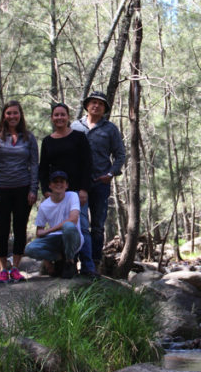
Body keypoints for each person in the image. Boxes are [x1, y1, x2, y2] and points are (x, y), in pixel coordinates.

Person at [38, 102, 96, 276]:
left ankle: (88, 267)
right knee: (60, 229)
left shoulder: (79, 137)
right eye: (56, 115)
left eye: (63, 114)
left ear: (68, 117)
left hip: (77, 192)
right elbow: (43, 168)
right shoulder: (47, 141)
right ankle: (65, 264)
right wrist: (45, 190)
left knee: (82, 227)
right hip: (56, 193)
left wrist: (84, 189)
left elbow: (87, 164)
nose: (59, 118)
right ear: (52, 118)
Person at [71, 90, 125, 272]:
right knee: (79, 224)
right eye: (93, 102)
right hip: (78, 185)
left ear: (105, 109)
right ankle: (77, 261)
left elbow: (120, 154)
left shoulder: (110, 129)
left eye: (100, 104)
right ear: (86, 105)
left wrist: (110, 174)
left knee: (98, 227)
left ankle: (94, 263)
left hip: (100, 184)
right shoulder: (75, 127)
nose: (96, 105)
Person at [0, 100, 38, 283]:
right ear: (4, 116)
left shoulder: (29, 138)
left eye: (15, 113)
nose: (12, 116)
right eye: (9, 113)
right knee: (2, 230)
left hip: (23, 189)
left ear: (20, 115)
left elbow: (34, 164)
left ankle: (16, 268)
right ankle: (2, 269)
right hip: (0, 189)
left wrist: (33, 189)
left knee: (20, 228)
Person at [24, 170, 82, 278]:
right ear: (50, 185)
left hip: (72, 238)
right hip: (54, 240)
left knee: (68, 227)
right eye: (55, 182)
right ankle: (59, 258)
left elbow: (73, 220)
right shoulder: (44, 206)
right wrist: (47, 262)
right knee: (29, 249)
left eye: (62, 181)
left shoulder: (73, 196)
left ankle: (70, 261)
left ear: (66, 185)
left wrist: (48, 230)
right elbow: (39, 232)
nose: (59, 184)